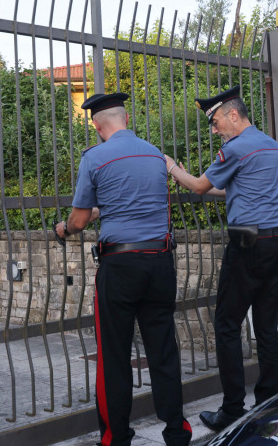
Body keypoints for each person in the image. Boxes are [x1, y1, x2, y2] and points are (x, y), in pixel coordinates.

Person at [55, 92, 191, 446]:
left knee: (114, 356)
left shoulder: (95, 158)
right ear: (126, 120)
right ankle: (177, 432)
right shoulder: (155, 154)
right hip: (160, 262)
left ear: (97, 126)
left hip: (120, 266)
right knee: (163, 350)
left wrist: (64, 228)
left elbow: (80, 220)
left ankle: (116, 438)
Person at [164, 85, 278, 431]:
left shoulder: (235, 149)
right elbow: (233, 187)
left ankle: (232, 410)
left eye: (216, 121)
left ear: (234, 114)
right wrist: (197, 179)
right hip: (277, 242)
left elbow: (201, 188)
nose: (215, 129)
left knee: (227, 325)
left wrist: (173, 167)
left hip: (248, 246)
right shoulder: (270, 144)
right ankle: (267, 404)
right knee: (266, 326)